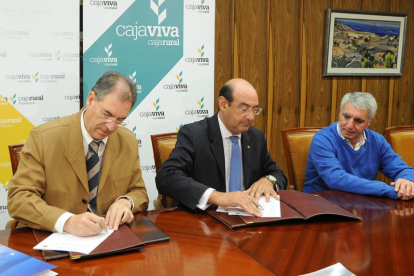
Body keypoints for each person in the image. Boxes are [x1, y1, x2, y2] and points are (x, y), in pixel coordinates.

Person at [8, 71, 149, 236]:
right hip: (55, 240)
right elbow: (19, 199)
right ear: (90, 100)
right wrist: (66, 221)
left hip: (108, 238)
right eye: (107, 114)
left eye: (119, 120)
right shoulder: (44, 138)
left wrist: (126, 202)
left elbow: (138, 191)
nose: (111, 127)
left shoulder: (127, 140)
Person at [156, 78, 287, 216]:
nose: (251, 117)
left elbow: (277, 173)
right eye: (244, 109)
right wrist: (218, 196)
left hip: (247, 218)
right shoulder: (194, 134)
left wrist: (268, 180)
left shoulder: (255, 137)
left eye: (254, 110)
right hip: (204, 219)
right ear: (223, 104)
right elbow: (167, 177)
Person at [304, 92, 414, 200]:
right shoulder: (323, 139)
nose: (350, 125)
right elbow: (336, 179)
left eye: (358, 121)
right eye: (346, 117)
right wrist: (390, 190)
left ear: (369, 122)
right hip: (322, 206)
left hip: (362, 205)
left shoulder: (377, 141)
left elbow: (402, 170)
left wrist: (407, 182)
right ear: (339, 114)